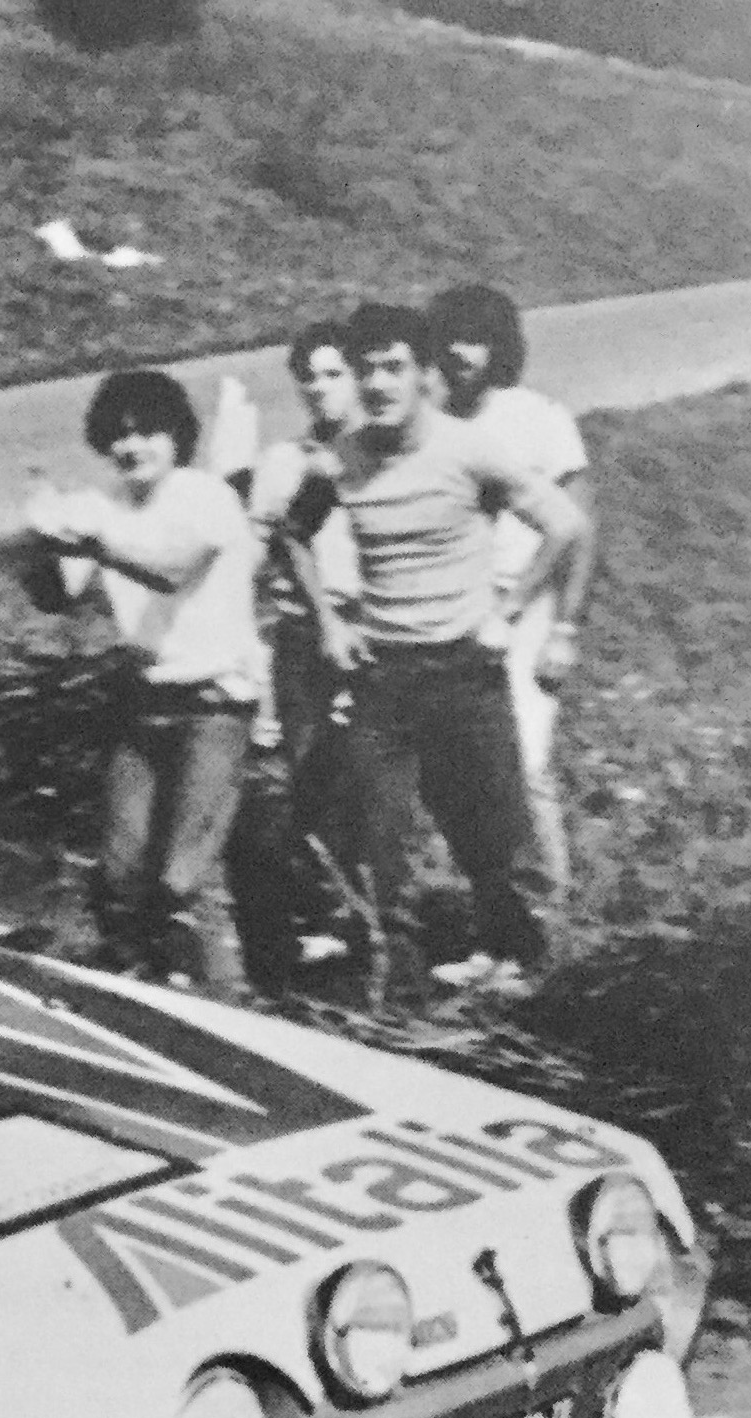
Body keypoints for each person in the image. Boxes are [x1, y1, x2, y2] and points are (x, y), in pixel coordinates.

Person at [309, 300, 589, 997]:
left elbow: (564, 523)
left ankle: (514, 957)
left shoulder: (467, 448)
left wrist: (511, 609)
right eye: (364, 369)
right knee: (377, 829)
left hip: (463, 670)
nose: (378, 384)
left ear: (421, 374)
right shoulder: (342, 458)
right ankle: (394, 983)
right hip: (384, 675)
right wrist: (330, 621)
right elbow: (291, 530)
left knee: (486, 829)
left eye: (393, 367)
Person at [24, 368, 265, 991]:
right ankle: (144, 987)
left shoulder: (205, 497)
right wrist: (41, 537)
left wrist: (94, 543)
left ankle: (225, 1002)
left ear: (177, 436)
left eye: (148, 432)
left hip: (215, 703)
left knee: (185, 876)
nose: (132, 447)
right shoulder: (101, 504)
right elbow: (56, 597)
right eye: (119, 435)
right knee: (121, 869)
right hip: (145, 700)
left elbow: (171, 569)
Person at [430, 281, 592, 897]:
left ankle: (550, 898)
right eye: (450, 338)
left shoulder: (539, 419)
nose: (460, 352)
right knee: (461, 766)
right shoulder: (427, 421)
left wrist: (564, 630)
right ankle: (491, 899)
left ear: (500, 347)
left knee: (524, 759)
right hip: (453, 607)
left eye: (476, 339)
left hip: (527, 606)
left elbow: (579, 530)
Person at [236, 319, 368, 984]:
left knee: (362, 776)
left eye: (333, 374)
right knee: (304, 775)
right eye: (308, 378)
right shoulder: (285, 462)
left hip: (372, 627)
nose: (319, 389)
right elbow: (254, 559)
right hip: (301, 636)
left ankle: (365, 922)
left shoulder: (381, 453)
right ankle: (315, 922)